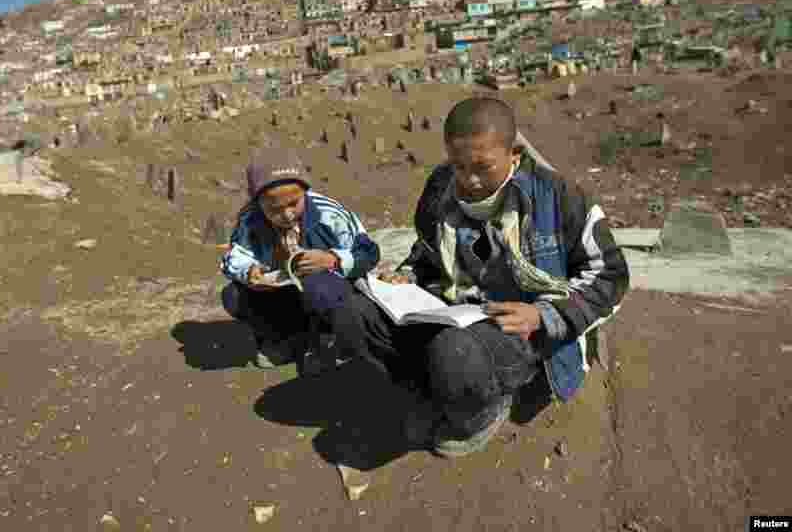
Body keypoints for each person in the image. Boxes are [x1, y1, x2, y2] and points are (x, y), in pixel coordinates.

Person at [334, 97, 629, 456]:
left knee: (454, 353)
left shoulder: (558, 196)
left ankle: (478, 413)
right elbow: (428, 250)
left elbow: (609, 275)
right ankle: (425, 389)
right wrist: (407, 275)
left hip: (522, 327)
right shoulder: (442, 189)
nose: (470, 181)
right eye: (458, 166)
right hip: (454, 311)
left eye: (482, 167)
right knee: (354, 312)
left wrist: (542, 315)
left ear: (514, 153)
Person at [220, 145, 380, 373]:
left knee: (319, 286)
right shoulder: (249, 220)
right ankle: (286, 339)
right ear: (258, 203)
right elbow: (233, 257)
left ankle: (332, 340)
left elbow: (368, 252)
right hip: (284, 295)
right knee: (233, 295)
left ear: (305, 191)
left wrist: (333, 259)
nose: (286, 214)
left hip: (331, 294)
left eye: (293, 204)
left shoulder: (330, 213)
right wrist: (248, 271)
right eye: (274, 209)